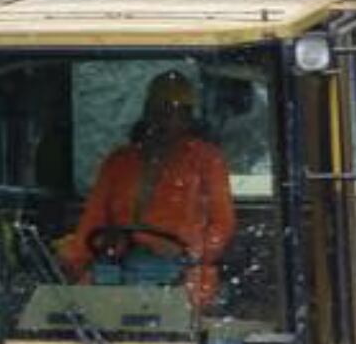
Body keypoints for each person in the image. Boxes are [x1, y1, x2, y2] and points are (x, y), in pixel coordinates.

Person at [67, 70, 236, 308]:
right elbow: (92, 220)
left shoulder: (208, 160)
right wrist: (76, 263)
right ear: (147, 113)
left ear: (188, 118)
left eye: (174, 112)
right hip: (119, 263)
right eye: (159, 111)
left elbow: (222, 224)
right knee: (80, 306)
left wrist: (192, 255)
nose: (165, 120)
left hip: (183, 270)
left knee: (193, 301)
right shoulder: (120, 161)